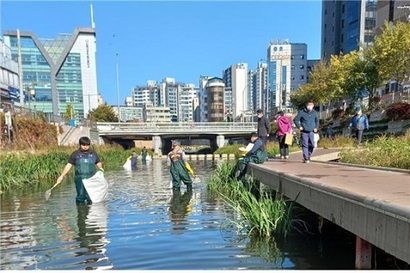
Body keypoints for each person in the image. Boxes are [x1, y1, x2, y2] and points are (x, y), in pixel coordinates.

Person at [56, 136, 104, 204]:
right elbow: (69, 165)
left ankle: (92, 212)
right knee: (81, 196)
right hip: (80, 179)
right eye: (83, 144)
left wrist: (101, 169)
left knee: (91, 196)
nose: (85, 146)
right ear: (80, 144)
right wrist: (62, 176)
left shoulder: (93, 153)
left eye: (87, 145)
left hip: (92, 178)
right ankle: (81, 212)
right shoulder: (75, 154)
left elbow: (98, 162)